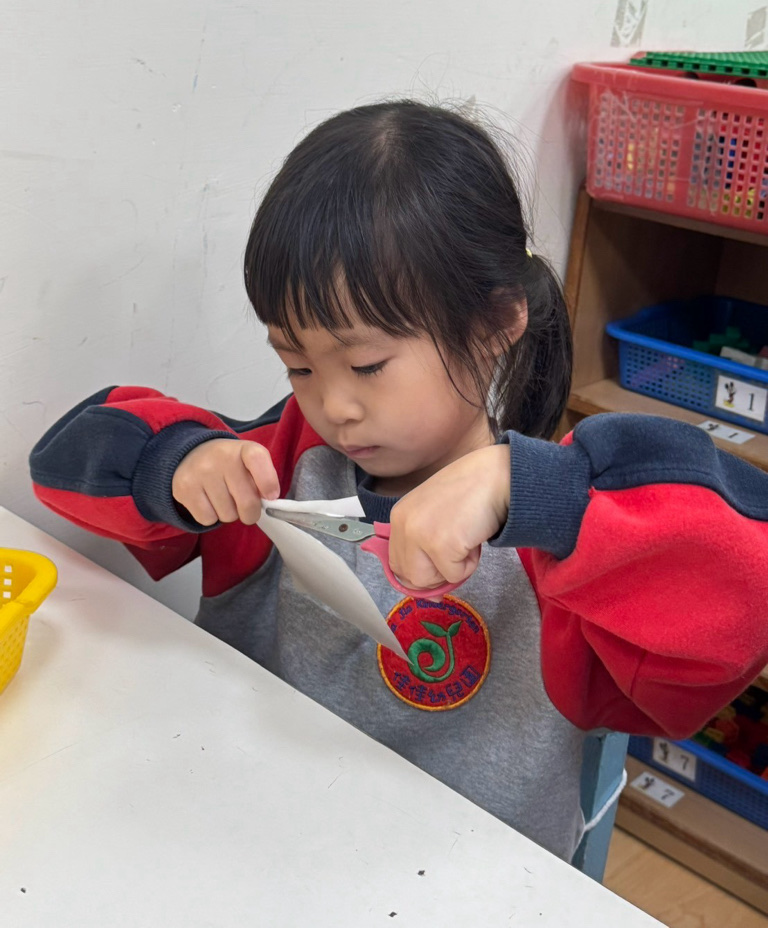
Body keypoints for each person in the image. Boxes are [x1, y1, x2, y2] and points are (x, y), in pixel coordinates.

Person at [30, 101, 768, 861]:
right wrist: (177, 464)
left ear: (494, 326)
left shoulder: (564, 531)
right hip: (252, 845)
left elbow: (740, 587)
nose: (334, 405)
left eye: (368, 364)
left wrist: (535, 492)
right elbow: (64, 462)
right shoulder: (280, 464)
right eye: (297, 365)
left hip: (469, 883)